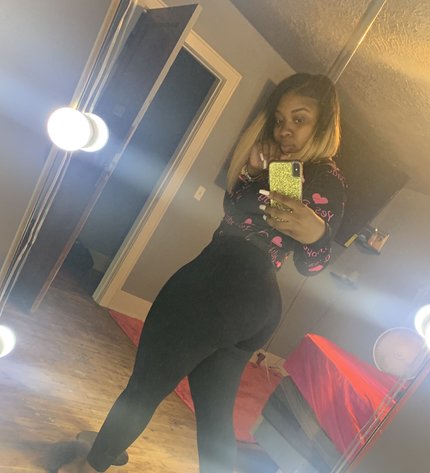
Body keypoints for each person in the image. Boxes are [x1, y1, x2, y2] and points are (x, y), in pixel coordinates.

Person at [57, 72, 347, 473]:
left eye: (300, 119)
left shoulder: (325, 177)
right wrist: (252, 172)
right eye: (280, 119)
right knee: (213, 416)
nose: (285, 130)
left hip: (219, 286)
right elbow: (257, 218)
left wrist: (318, 234)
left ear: (324, 124)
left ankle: (92, 464)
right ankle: (109, 445)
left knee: (145, 386)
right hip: (253, 302)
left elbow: (311, 263)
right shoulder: (287, 168)